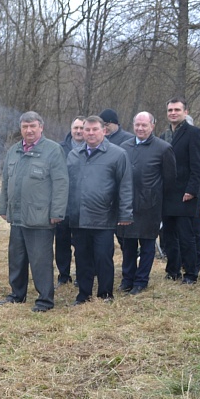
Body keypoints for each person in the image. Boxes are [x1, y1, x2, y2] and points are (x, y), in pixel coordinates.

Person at [0, 111, 68, 312]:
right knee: (16, 258)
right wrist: (3, 207)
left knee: (40, 260)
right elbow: (6, 181)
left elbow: (61, 183)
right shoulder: (14, 151)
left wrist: (57, 212)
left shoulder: (53, 150)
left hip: (41, 217)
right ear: (21, 129)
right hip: (17, 216)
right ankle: (17, 294)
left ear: (41, 127)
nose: (29, 130)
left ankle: (45, 300)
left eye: (33, 126)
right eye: (25, 127)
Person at [67, 115, 133, 305]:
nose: (90, 133)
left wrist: (125, 213)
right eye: (86, 129)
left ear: (104, 131)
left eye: (95, 129)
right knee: (81, 257)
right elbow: (67, 184)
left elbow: (125, 185)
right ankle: (83, 294)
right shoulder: (74, 154)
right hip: (78, 216)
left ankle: (105, 294)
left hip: (104, 216)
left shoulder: (118, 154)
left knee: (103, 257)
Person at [117, 112, 176, 294]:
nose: (140, 128)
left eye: (144, 125)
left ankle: (141, 281)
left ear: (152, 126)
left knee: (147, 244)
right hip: (127, 204)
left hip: (150, 206)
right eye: (137, 125)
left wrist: (154, 197)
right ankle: (127, 279)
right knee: (128, 245)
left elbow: (170, 179)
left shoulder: (163, 148)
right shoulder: (124, 147)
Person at [161, 97, 200, 284]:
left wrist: (192, 190)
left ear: (185, 112)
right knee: (168, 235)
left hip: (185, 194)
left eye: (177, 110)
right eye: (170, 110)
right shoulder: (163, 136)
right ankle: (173, 270)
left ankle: (191, 273)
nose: (173, 113)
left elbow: (198, 165)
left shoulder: (194, 133)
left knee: (186, 236)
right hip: (167, 194)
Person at [55, 116, 85, 286]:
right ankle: (63, 275)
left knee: (81, 244)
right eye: (76, 128)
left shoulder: (92, 148)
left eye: (82, 128)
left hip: (84, 205)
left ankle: (82, 276)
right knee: (61, 242)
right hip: (63, 204)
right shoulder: (60, 148)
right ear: (71, 129)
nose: (79, 131)